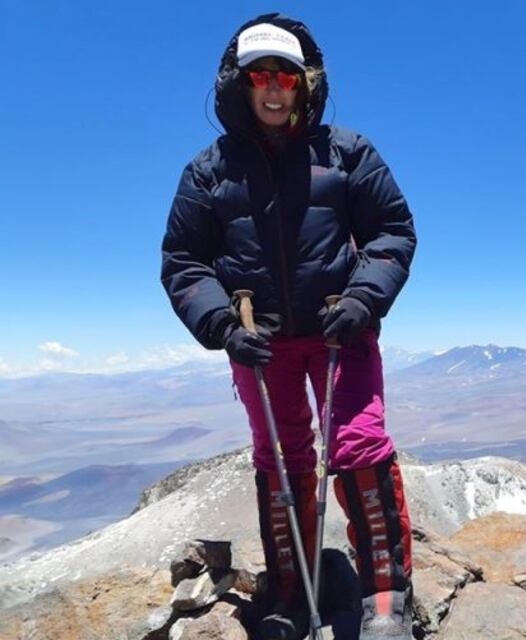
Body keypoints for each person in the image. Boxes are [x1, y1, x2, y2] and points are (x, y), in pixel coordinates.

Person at [161, 13, 416, 640]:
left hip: (340, 333)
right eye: (260, 76)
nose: (274, 88)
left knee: (359, 445)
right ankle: (289, 590)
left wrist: (363, 298)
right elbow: (184, 262)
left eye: (286, 75)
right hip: (259, 342)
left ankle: (386, 594)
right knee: (281, 457)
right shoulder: (208, 170)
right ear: (239, 84)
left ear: (305, 83)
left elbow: (391, 233)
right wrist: (222, 324)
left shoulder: (348, 152)